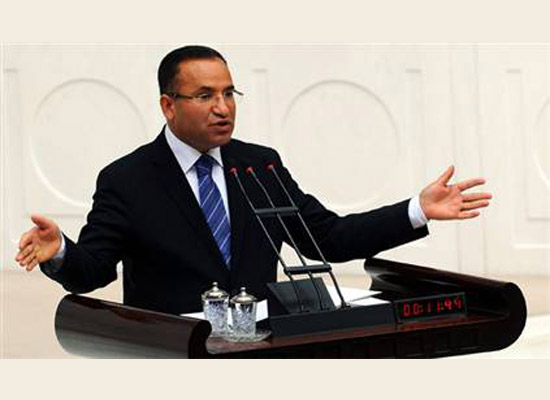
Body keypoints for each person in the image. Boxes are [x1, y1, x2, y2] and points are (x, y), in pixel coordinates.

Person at [15, 45, 492, 315]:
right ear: (168, 105)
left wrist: (417, 210)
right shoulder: (127, 179)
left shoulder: (259, 165)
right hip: (175, 352)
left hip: (263, 351)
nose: (222, 108)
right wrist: (60, 251)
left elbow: (328, 238)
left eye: (229, 93)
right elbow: (94, 270)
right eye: (205, 95)